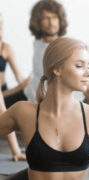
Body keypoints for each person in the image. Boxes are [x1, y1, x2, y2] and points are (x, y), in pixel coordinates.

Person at [0, 37, 89, 180]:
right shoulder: (23, 112)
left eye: (88, 66)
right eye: (79, 66)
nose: (88, 73)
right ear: (57, 69)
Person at [24, 0, 68, 103]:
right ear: (38, 21)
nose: (51, 23)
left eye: (54, 18)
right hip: (31, 95)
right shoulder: (37, 42)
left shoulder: (64, 46)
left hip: (51, 101)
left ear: (60, 19)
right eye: (46, 18)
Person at [0, 13, 29, 161]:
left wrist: (28, 84)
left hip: (4, 93)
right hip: (2, 97)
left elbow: (19, 77)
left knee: (28, 94)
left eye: (1, 24)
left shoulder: (6, 48)